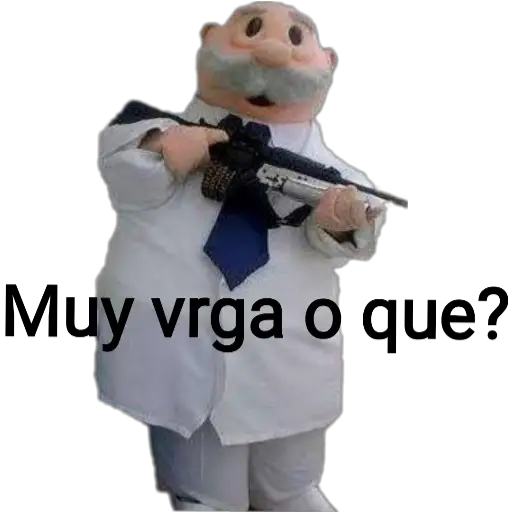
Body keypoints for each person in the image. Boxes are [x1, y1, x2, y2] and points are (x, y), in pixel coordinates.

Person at [96, 1, 386, 510]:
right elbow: (126, 173)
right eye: (252, 29)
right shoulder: (151, 130)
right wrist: (166, 151)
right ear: (210, 38)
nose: (272, 50)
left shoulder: (334, 176)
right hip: (180, 344)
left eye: (295, 38)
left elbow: (346, 241)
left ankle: (288, 494)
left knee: (290, 477)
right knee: (206, 485)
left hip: (286, 350)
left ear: (328, 62)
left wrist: (340, 223)